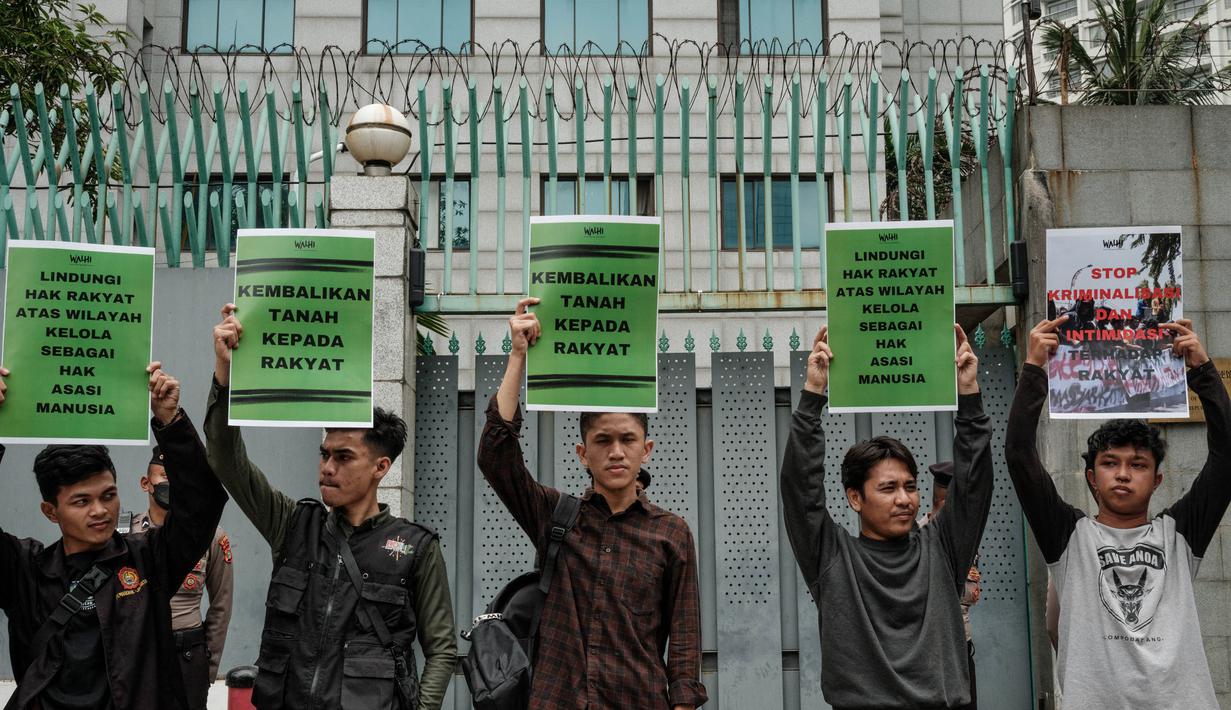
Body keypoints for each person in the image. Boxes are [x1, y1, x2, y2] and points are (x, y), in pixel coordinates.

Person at [206, 303, 456, 710]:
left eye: (343, 457)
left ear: (380, 467)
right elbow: (226, 462)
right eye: (324, 455)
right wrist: (224, 373)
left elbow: (441, 650)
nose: (327, 468)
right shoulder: (293, 524)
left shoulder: (416, 548)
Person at [475, 297, 707, 710]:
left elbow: (685, 639)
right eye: (603, 441)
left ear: (646, 449)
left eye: (627, 440)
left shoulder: (671, 532)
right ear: (583, 453)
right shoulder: (557, 517)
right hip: (557, 699)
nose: (616, 452)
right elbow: (496, 457)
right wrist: (518, 356)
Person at [1005, 316, 1229, 708]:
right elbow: (1020, 455)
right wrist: (1034, 367)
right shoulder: (1069, 537)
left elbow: (1228, 457)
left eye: (1138, 464)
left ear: (1157, 480)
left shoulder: (1179, 535)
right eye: (1111, 463)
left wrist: (1203, 371)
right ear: (1092, 477)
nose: (1124, 474)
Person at [781, 324, 992, 710]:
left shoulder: (943, 548)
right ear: (855, 498)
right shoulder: (831, 556)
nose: (904, 499)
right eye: (888, 488)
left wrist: (969, 396)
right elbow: (799, 491)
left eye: (910, 487)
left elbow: (975, 483)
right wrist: (812, 395)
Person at [0, 362, 228, 710]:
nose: (100, 510)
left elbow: (202, 503)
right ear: (51, 511)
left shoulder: (149, 557)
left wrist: (171, 422)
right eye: (82, 501)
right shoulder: (26, 571)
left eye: (108, 495)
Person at [120, 446, 234, 710]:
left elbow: (221, 606)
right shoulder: (125, 535)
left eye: (176, 475)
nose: (170, 481)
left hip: (187, 653)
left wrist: (207, 667)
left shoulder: (212, 536)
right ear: (145, 483)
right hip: (138, 652)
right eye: (163, 475)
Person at [920, 461, 982, 708]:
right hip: (928, 655)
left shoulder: (963, 539)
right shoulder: (917, 541)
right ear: (947, 504)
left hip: (961, 651)